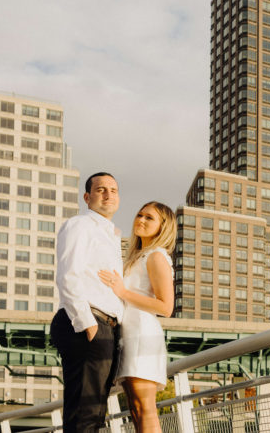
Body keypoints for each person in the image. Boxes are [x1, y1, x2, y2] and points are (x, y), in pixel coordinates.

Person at [50, 172, 124, 433]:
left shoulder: (111, 235)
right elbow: (67, 275)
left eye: (113, 190)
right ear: (87, 197)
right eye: (101, 189)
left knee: (94, 412)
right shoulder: (80, 225)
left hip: (105, 326)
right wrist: (87, 324)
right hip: (87, 323)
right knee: (84, 414)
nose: (108, 194)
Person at [99, 201, 176, 433]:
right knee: (135, 409)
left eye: (149, 218)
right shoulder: (137, 256)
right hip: (128, 335)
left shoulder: (156, 257)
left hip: (142, 333)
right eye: (139, 214)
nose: (140, 220)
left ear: (163, 227)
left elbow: (166, 307)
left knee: (145, 408)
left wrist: (122, 292)